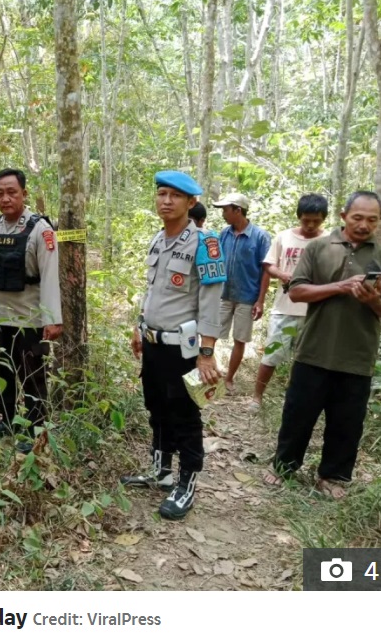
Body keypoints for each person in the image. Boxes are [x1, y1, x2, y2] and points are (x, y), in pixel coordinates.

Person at [265, 191, 381, 499]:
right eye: (358, 218)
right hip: (314, 348)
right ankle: (283, 467)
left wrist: (374, 301)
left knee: (347, 421)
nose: (364, 225)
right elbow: (296, 292)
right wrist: (339, 286)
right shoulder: (319, 247)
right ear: (343, 215)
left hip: (359, 353)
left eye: (372, 220)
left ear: (379, 221)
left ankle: (333, 477)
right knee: (298, 414)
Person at [121, 171, 224, 520]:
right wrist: (139, 326)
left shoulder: (206, 245)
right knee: (157, 409)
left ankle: (186, 483)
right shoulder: (157, 240)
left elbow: (212, 304)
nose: (166, 201)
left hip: (184, 349)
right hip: (154, 344)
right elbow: (152, 291)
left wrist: (207, 354)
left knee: (184, 416)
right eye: (161, 194)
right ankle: (160, 471)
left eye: (175, 196)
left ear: (190, 202)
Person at [0, 168, 62, 454]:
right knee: (2, 373)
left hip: (31, 319)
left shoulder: (40, 230)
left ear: (24, 194)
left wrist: (53, 319)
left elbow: (51, 276)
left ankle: (34, 429)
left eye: (11, 192)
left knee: (33, 377)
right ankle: (6, 421)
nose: (5, 199)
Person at [249, 194, 328, 411]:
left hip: (315, 311)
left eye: (316, 221)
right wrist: (282, 275)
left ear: (324, 219)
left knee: (308, 361)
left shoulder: (329, 240)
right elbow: (269, 265)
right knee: (272, 354)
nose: (311, 225)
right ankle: (257, 397)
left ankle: (299, 401)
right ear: (299, 217)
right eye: (306, 220)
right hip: (284, 309)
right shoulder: (284, 237)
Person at [214, 192, 271, 394]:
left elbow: (266, 270)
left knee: (240, 338)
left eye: (226, 210)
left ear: (238, 210)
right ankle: (209, 371)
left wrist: (261, 300)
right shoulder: (224, 234)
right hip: (223, 293)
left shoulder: (261, 237)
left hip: (247, 297)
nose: (223, 214)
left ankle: (229, 379)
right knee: (212, 332)